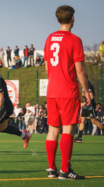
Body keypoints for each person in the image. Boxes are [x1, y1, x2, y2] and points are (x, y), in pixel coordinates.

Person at [44, 5, 91, 179]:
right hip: (68, 91)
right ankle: (65, 170)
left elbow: (47, 65)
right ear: (72, 19)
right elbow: (80, 71)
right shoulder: (74, 39)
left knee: (52, 130)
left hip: (52, 90)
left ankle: (51, 169)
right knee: (67, 130)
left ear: (58, 20)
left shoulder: (49, 38)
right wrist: (86, 91)